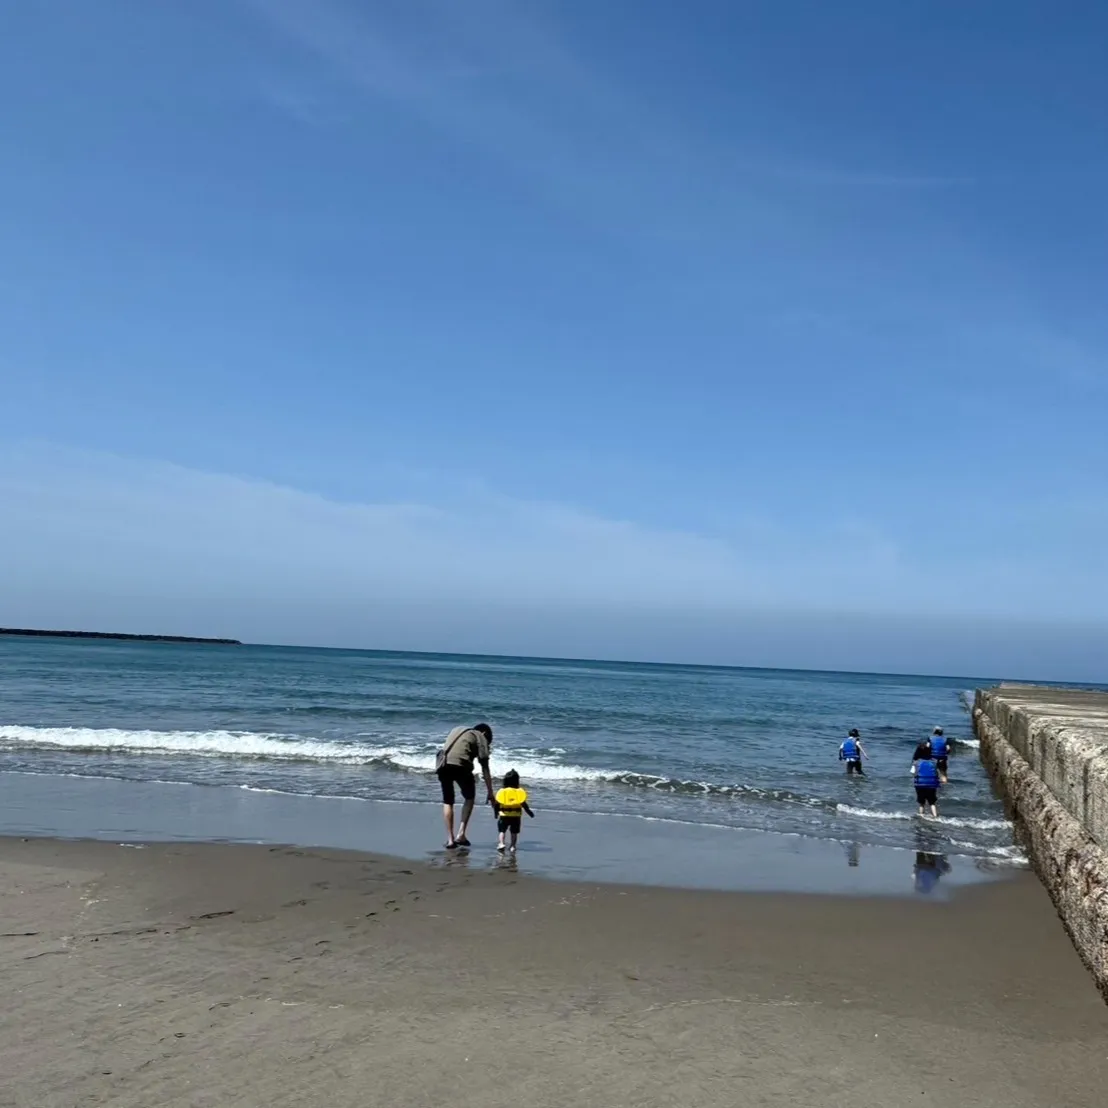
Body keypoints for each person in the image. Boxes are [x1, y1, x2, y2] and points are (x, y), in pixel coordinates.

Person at [436, 723, 495, 849]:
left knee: (448, 801)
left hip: (443, 765)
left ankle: (450, 840)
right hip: (461, 766)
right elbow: (485, 768)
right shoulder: (480, 735)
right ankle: (461, 834)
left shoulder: (458, 729)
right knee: (469, 797)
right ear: (485, 733)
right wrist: (490, 792)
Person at [493, 769, 534, 854]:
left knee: (502, 831)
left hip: (504, 815)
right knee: (514, 832)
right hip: (516, 816)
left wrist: (496, 813)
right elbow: (524, 804)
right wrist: (529, 812)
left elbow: (497, 804)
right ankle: (512, 846)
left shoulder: (502, 792)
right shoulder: (518, 792)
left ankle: (501, 843)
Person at [912, 744, 942, 818]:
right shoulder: (934, 761)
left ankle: (921, 816)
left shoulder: (916, 762)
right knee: (932, 803)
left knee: (921, 803)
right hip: (932, 784)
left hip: (920, 784)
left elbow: (913, 773)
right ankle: (935, 816)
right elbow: (937, 772)